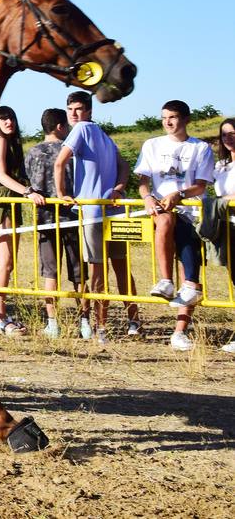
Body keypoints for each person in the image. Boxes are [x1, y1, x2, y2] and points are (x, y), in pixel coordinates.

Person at [54, 91, 134, 344]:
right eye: (70, 110)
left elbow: (60, 163)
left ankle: (102, 327)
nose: (74, 114)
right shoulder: (105, 135)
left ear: (88, 110)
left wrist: (61, 194)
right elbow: (124, 166)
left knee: (98, 270)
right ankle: (133, 320)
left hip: (93, 211)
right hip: (113, 209)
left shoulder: (80, 130)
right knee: (121, 267)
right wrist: (119, 189)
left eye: (78, 109)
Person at [135, 100, 214, 351]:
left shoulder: (200, 148)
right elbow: (143, 181)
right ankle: (164, 279)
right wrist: (148, 198)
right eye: (164, 118)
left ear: (186, 119)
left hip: (191, 211)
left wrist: (180, 194)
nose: (168, 122)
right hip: (162, 211)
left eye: (173, 117)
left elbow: (201, 185)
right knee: (166, 220)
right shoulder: (152, 144)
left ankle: (180, 331)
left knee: (189, 280)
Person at [0, 106, 41, 336]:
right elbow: (1, 175)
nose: (8, 121)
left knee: (4, 260)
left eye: (11, 117)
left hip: (8, 199)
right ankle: (0, 318)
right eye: (2, 118)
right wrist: (28, 192)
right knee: (4, 260)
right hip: (3, 200)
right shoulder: (0, 142)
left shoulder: (5, 143)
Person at [24, 108, 82, 337]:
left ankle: (52, 322)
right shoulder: (72, 151)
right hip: (73, 215)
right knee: (79, 272)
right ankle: (84, 320)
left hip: (45, 219)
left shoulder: (33, 152)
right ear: (60, 126)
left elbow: (31, 183)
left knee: (50, 272)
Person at [213, 118, 235, 356]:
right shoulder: (220, 166)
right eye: (225, 134)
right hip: (228, 227)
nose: (229, 138)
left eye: (233, 133)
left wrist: (225, 200)